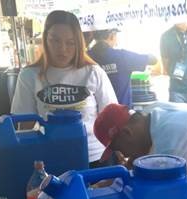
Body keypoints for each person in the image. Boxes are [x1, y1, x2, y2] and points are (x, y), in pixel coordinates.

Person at [11, 10, 117, 166]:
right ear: (45, 39)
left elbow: (111, 117)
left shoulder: (94, 72)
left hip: (94, 157)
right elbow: (25, 125)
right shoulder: (28, 75)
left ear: (79, 44)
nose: (62, 49)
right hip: (50, 157)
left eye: (70, 42)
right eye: (55, 40)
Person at [93, 101, 187, 186]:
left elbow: (158, 191)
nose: (124, 155)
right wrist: (106, 183)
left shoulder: (170, 142)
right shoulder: (148, 115)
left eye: (119, 148)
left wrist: (111, 186)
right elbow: (133, 162)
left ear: (127, 133)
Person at [88, 29, 157, 107]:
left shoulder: (86, 57)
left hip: (96, 116)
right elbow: (153, 60)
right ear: (112, 36)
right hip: (121, 114)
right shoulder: (123, 56)